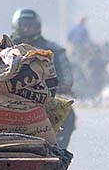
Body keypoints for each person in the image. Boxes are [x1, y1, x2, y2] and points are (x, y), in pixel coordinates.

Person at [11, 8, 76, 149]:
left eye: (31, 25)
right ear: (17, 26)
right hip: (11, 98)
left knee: (68, 115)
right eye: (24, 25)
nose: (27, 29)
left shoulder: (54, 50)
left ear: (38, 27)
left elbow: (67, 75)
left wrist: (65, 86)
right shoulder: (5, 47)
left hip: (46, 98)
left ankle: (60, 153)